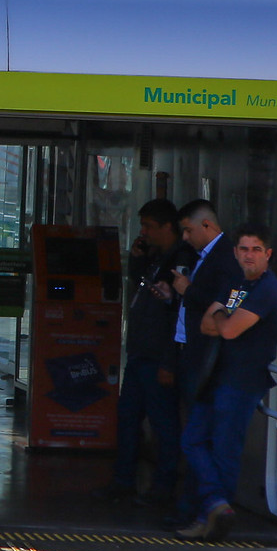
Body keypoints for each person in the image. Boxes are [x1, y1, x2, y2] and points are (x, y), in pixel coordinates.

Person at [177, 223, 277, 540]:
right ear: (235, 252)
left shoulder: (267, 289)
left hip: (243, 383)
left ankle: (212, 519)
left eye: (255, 249)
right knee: (193, 440)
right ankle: (215, 504)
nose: (248, 255)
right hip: (217, 378)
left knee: (224, 451)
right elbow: (205, 325)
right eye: (243, 249)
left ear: (267, 254)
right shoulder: (237, 283)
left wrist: (223, 316)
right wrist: (225, 316)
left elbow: (225, 329)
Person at [99, 199, 189, 504]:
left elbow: (177, 313)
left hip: (157, 355)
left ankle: (163, 485)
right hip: (140, 352)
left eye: (149, 226)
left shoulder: (180, 260)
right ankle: (123, 479)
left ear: (167, 227)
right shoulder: (157, 258)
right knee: (127, 417)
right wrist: (137, 261)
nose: (144, 232)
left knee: (163, 423)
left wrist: (169, 360)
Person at [164, 198, 242, 524]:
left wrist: (186, 289)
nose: (184, 237)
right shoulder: (203, 257)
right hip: (190, 354)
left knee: (198, 438)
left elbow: (221, 306)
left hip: (207, 361)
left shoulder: (224, 260)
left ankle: (203, 506)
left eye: (188, 230)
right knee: (192, 435)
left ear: (207, 226)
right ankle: (197, 507)